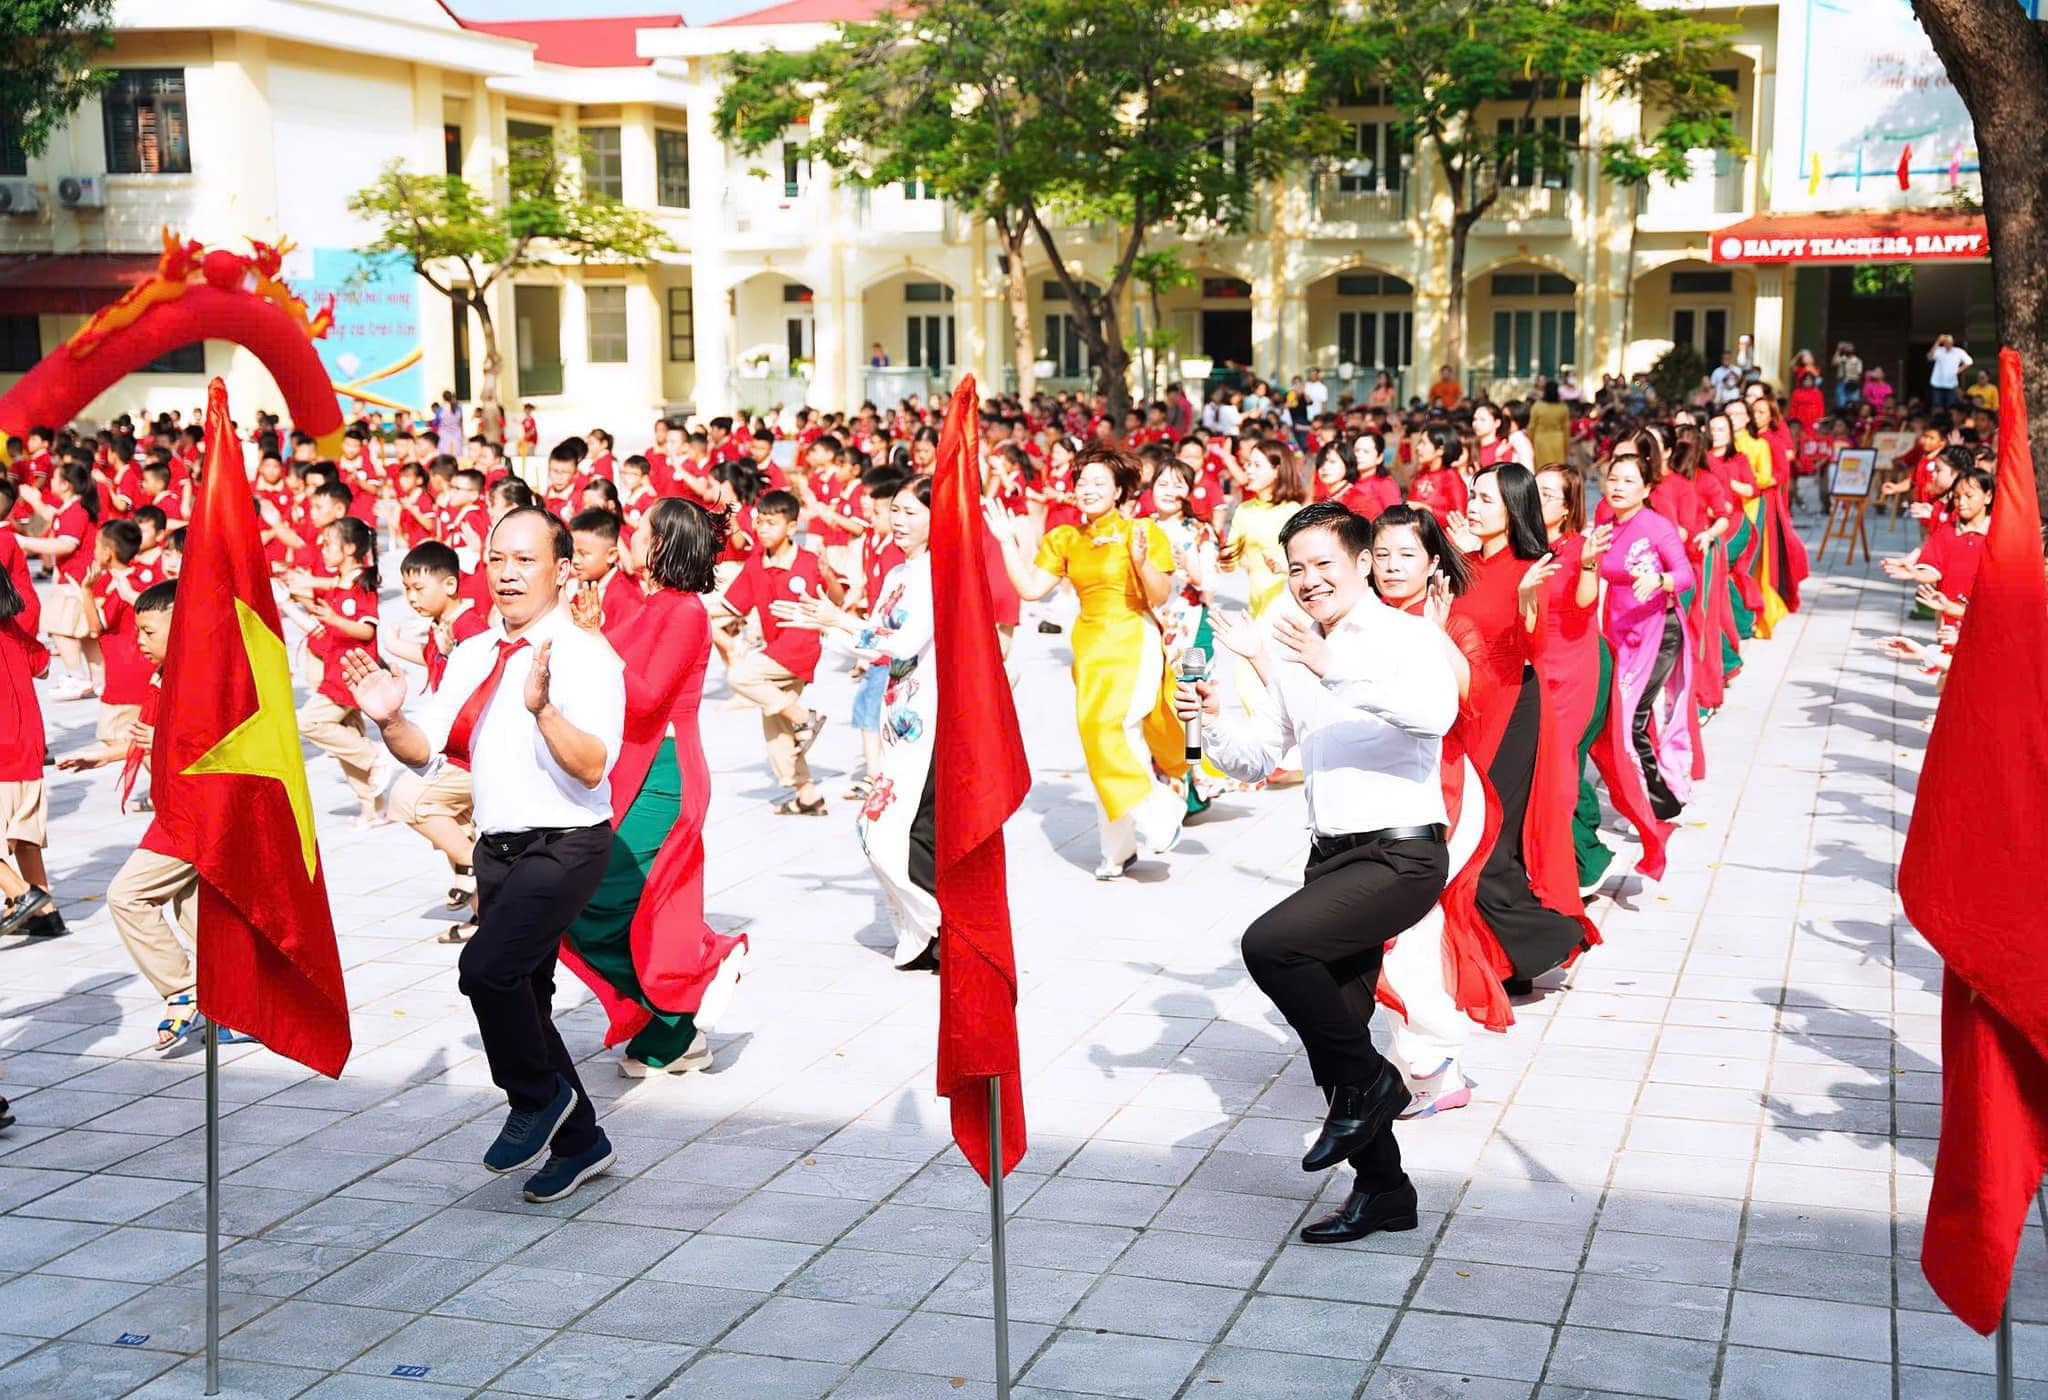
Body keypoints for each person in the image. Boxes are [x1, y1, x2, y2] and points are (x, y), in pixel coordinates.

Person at [1176, 501, 1457, 1243]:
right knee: (1336, 1030)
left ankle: (1374, 1085)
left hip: (1403, 853)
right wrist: (1206, 717)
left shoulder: (1406, 637)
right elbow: (1259, 756)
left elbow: (1436, 715)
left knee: (1271, 947)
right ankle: (1386, 1191)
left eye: (1323, 564)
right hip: (1332, 856)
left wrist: (1337, 670)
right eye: (1296, 567)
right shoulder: (1294, 645)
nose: (1307, 580)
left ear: (1363, 563)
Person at [346, 507, 626, 1204]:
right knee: (525, 997)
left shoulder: (587, 656)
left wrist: (542, 711)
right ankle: (582, 1138)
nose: (506, 572)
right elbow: (425, 750)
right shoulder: (473, 653)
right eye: (497, 557)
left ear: (562, 570)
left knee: (486, 970)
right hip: (497, 849)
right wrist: (389, 719)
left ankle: (534, 1097)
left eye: (525, 560)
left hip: (566, 843)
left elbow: (592, 766)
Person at [563, 499, 748, 1074]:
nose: (628, 539)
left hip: (665, 772)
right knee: (607, 902)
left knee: (601, 894)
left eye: (639, 531)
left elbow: (644, 699)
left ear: (664, 544)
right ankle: (675, 1026)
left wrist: (596, 638)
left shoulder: (687, 611)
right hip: (635, 766)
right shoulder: (645, 602)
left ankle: (701, 973)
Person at [996, 447, 1189, 879]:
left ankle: (1158, 810)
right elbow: (1030, 589)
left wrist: (1140, 563)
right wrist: (1007, 543)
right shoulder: (1066, 538)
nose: (1088, 490)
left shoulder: (1142, 532)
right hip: (1090, 645)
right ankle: (1118, 848)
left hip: (1132, 637)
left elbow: (1159, 596)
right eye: (1082, 482)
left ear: (1120, 490)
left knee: (1108, 729)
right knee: (1109, 739)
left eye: (1099, 483)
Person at [785, 476, 944, 968]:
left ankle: (939, 926)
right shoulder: (899, 573)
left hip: (929, 716)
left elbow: (900, 642)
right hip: (896, 714)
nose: (898, 520)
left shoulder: (938, 574)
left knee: (888, 828)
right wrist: (828, 624)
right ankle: (927, 933)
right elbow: (872, 638)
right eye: (894, 510)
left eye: (911, 513)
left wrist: (840, 623)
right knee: (890, 829)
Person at [1445, 465, 1592, 994]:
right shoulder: (1464, 562)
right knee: (1464, 837)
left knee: (1488, 842)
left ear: (1511, 507)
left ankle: (1542, 943)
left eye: (1485, 498)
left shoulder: (1533, 567)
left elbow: (1534, 649)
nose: (1473, 505)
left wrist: (1529, 603)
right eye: (1472, 495)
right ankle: (1511, 959)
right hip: (1466, 710)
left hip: (1511, 710)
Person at [381, 542, 489, 943]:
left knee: (410, 800)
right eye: (406, 588)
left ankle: (482, 871)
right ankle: (483, 917)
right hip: (453, 749)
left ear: (449, 583)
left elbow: (464, 688)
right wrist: (397, 648)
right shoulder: (443, 627)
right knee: (458, 824)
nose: (411, 597)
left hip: (468, 750)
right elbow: (434, 663)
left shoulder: (470, 628)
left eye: (419, 588)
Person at [714, 489, 843, 816]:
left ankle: (805, 717)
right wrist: (686, 609)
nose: (763, 529)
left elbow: (838, 601)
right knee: (776, 727)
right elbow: (730, 606)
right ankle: (807, 795)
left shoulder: (809, 562)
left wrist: (828, 575)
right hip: (776, 649)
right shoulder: (756, 562)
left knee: (740, 674)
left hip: (799, 647)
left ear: (792, 526)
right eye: (760, 522)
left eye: (772, 523)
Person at [1599, 455, 1697, 821]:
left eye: (1628, 481)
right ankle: (1652, 793)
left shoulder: (1656, 526)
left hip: (1659, 629)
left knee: (1632, 716)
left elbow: (1685, 574)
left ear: (1646, 489)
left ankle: (1657, 798)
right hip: (1618, 630)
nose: (1618, 487)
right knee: (1619, 717)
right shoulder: (1604, 527)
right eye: (1613, 479)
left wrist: (1659, 581)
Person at [297, 517, 389, 827]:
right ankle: (373, 808)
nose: (322, 550)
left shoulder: (361, 584)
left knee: (309, 721)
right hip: (336, 668)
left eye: (328, 545)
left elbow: (366, 631)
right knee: (348, 737)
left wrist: (334, 619)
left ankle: (373, 756)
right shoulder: (339, 582)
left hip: (352, 674)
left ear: (349, 548)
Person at [0, 530, 57, 938]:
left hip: (2, 750)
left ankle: (21, 894)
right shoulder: (18, 635)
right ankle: (46, 913)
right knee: (24, 837)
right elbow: (44, 667)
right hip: (30, 747)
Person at [16, 462, 102, 700]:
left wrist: (23, 542)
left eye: (55, 478)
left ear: (66, 485)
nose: (51, 481)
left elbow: (66, 544)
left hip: (75, 581)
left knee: (58, 628)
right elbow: (54, 517)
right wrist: (34, 501)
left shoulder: (75, 511)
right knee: (83, 633)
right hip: (75, 579)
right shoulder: (72, 508)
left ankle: (77, 677)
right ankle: (99, 679)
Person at [1529, 382, 1570, 468]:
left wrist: (1531, 441)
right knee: (1557, 468)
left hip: (1540, 441)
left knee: (1542, 467)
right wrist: (1566, 447)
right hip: (1558, 441)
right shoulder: (1563, 408)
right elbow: (1566, 430)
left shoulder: (1537, 406)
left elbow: (1531, 427)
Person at [1927, 335, 1973, 410]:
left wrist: (1959, 370)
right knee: (1937, 406)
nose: (1948, 344)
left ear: (1952, 342)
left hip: (1951, 384)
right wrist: (1938, 342)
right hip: (1937, 384)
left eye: (1949, 342)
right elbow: (1929, 357)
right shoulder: (1939, 350)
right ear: (1943, 343)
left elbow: (1969, 362)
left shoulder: (1958, 351)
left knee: (1951, 407)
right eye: (1945, 342)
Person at [1831, 342, 1864, 409]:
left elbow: (1859, 374)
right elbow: (1833, 364)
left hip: (1853, 385)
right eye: (1846, 347)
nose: (1848, 349)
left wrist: (1853, 380)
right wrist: (1838, 350)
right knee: (1841, 405)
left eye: (1850, 347)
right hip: (1842, 383)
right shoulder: (1842, 359)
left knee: (1854, 406)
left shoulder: (1857, 361)